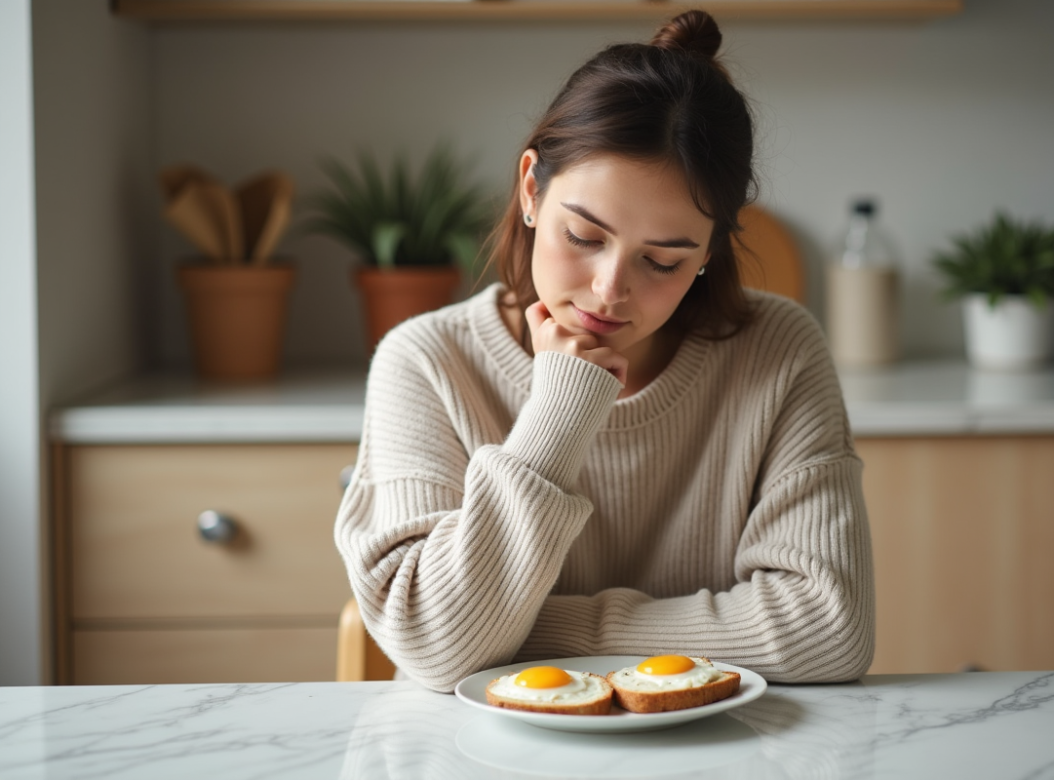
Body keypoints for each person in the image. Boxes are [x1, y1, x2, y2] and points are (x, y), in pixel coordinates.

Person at [335, 10, 874, 693]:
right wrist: (559, 411)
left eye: (663, 261)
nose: (609, 290)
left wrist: (515, 634)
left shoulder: (779, 351)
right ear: (531, 190)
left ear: (708, 253)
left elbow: (830, 630)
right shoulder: (427, 361)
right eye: (584, 237)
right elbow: (437, 644)